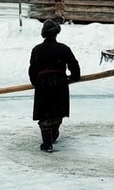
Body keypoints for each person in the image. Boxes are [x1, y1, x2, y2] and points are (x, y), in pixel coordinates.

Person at [28, 19, 81, 153]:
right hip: (60, 83)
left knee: (45, 113)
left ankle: (47, 141)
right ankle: (52, 135)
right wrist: (74, 77)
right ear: (56, 33)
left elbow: (32, 70)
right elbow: (74, 65)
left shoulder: (37, 50)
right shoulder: (63, 49)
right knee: (57, 110)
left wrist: (36, 82)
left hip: (43, 83)